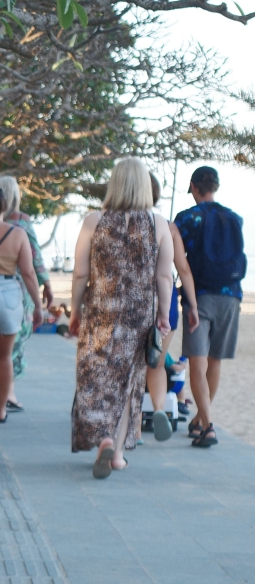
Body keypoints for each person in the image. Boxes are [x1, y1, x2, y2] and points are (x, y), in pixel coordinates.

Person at [69, 156, 173, 478]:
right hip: (138, 317)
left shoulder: (93, 221)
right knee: (129, 383)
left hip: (100, 313)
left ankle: (104, 438)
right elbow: (164, 277)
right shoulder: (158, 224)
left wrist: (74, 310)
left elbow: (80, 273)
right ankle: (116, 456)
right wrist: (164, 315)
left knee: (97, 379)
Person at [174, 165, 245, 449]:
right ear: (215, 187)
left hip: (199, 296)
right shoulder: (234, 218)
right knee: (214, 361)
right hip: (231, 296)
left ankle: (208, 426)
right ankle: (200, 420)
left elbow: (177, 261)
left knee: (197, 361)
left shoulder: (186, 218)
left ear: (194, 187)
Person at [0, 186, 44, 423]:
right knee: (3, 358)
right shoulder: (18, 234)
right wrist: (38, 305)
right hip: (9, 294)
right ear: (5, 207)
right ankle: (1, 411)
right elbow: (28, 273)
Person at [0, 174, 55, 402]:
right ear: (15, 197)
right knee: (12, 346)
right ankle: (7, 396)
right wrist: (46, 286)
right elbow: (35, 260)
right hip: (17, 292)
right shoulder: (22, 222)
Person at [144, 171, 199, 441]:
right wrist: (193, 305)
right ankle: (158, 408)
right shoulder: (168, 226)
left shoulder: (114, 223)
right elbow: (182, 270)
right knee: (154, 362)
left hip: (131, 304)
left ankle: (133, 425)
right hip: (165, 305)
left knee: (130, 366)